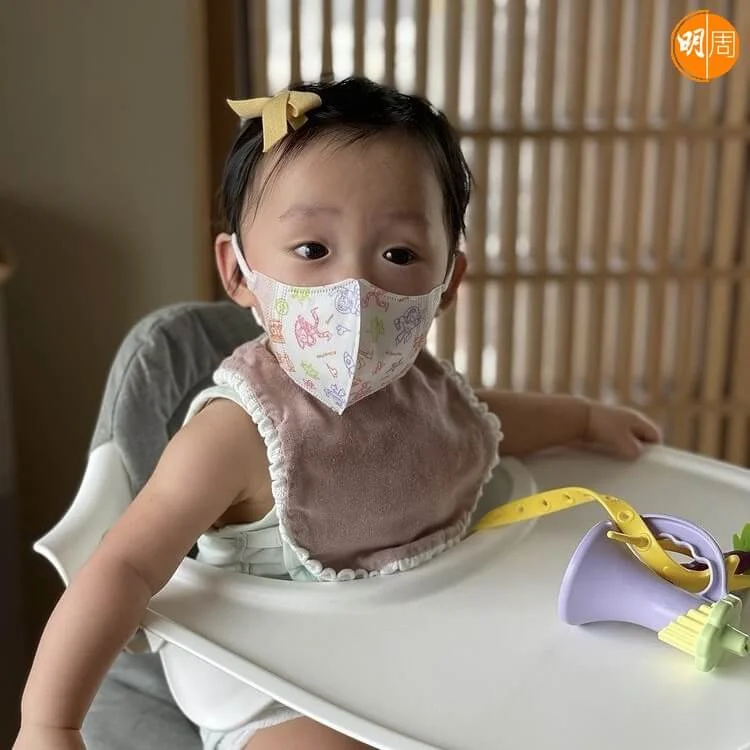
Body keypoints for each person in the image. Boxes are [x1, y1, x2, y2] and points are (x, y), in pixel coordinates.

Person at [14, 77, 660, 750]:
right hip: (283, 693)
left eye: (399, 254)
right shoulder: (237, 436)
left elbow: (487, 422)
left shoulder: (430, 394)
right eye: (312, 250)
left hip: (430, 655)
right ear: (237, 271)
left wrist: (586, 421)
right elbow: (123, 567)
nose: (355, 289)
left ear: (448, 282)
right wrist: (49, 722)